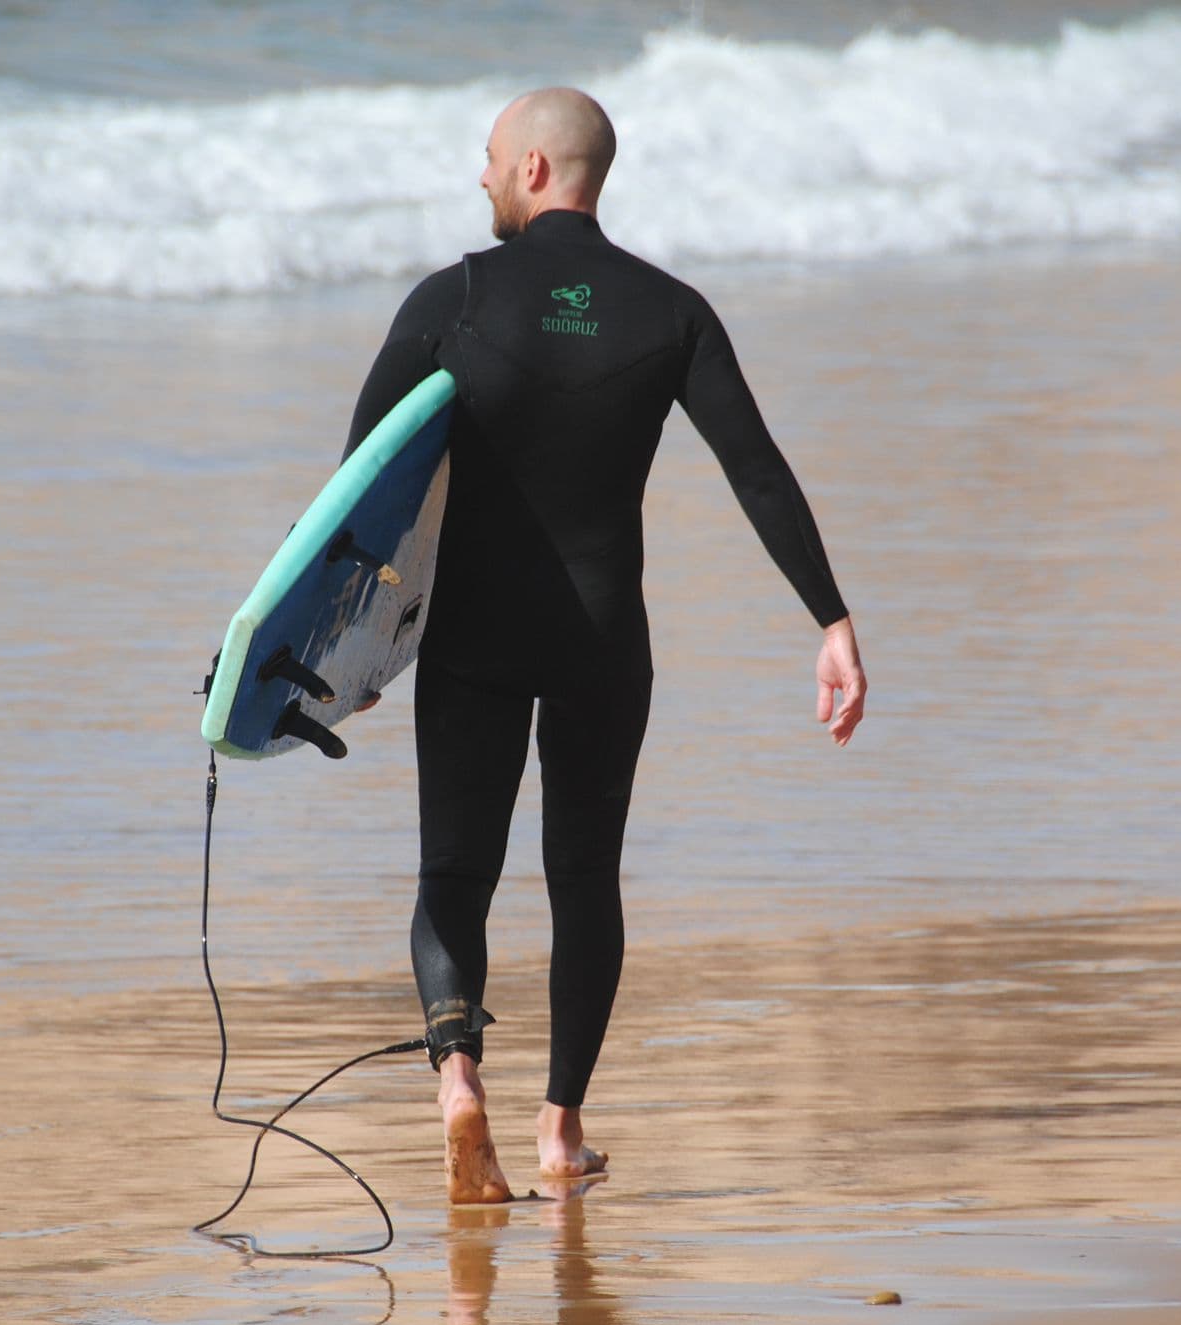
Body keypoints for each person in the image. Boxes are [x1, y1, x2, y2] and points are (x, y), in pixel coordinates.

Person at [342, 87, 866, 1205]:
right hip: (601, 639)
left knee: (454, 873)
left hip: (473, 638)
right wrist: (829, 619)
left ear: (534, 168)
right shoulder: (671, 312)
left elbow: (361, 484)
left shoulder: (452, 298)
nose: (480, 175)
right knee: (584, 878)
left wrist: (355, 645)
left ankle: (458, 1081)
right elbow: (757, 470)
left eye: (489, 157)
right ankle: (560, 1129)